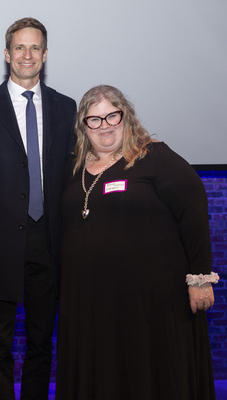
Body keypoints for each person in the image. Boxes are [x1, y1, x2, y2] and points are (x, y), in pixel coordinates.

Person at [55, 84, 219, 400]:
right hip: (92, 302)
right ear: (84, 127)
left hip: (151, 302)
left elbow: (193, 208)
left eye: (111, 116)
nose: (105, 126)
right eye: (94, 119)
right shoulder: (74, 169)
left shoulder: (153, 156)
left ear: (125, 117)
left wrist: (200, 278)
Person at [0, 18, 76, 400]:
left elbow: (74, 180)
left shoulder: (66, 108)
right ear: (7, 54)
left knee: (42, 343)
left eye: (35, 48)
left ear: (45, 55)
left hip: (50, 243)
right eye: (20, 47)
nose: (27, 55)